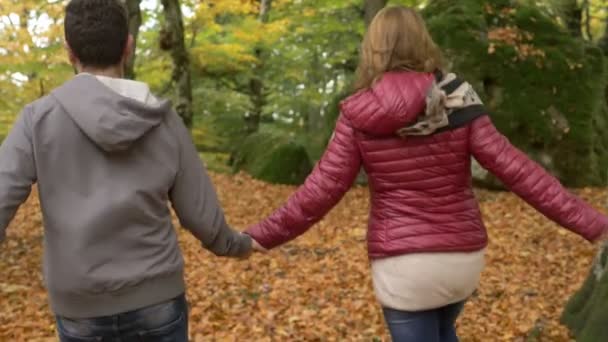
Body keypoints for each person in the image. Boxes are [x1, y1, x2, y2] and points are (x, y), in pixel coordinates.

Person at [245, 6, 608, 342]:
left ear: (373, 49)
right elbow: (520, 172)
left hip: (404, 264)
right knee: (442, 330)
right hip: (461, 260)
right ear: (423, 42)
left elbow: (320, 191)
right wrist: (594, 224)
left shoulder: (358, 112)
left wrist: (259, 237)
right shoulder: (458, 98)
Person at [0, 0, 257, 340]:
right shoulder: (163, 120)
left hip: (80, 306)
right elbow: (201, 215)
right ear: (128, 46)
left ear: (68, 51)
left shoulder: (39, 119)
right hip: (158, 299)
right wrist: (237, 245)